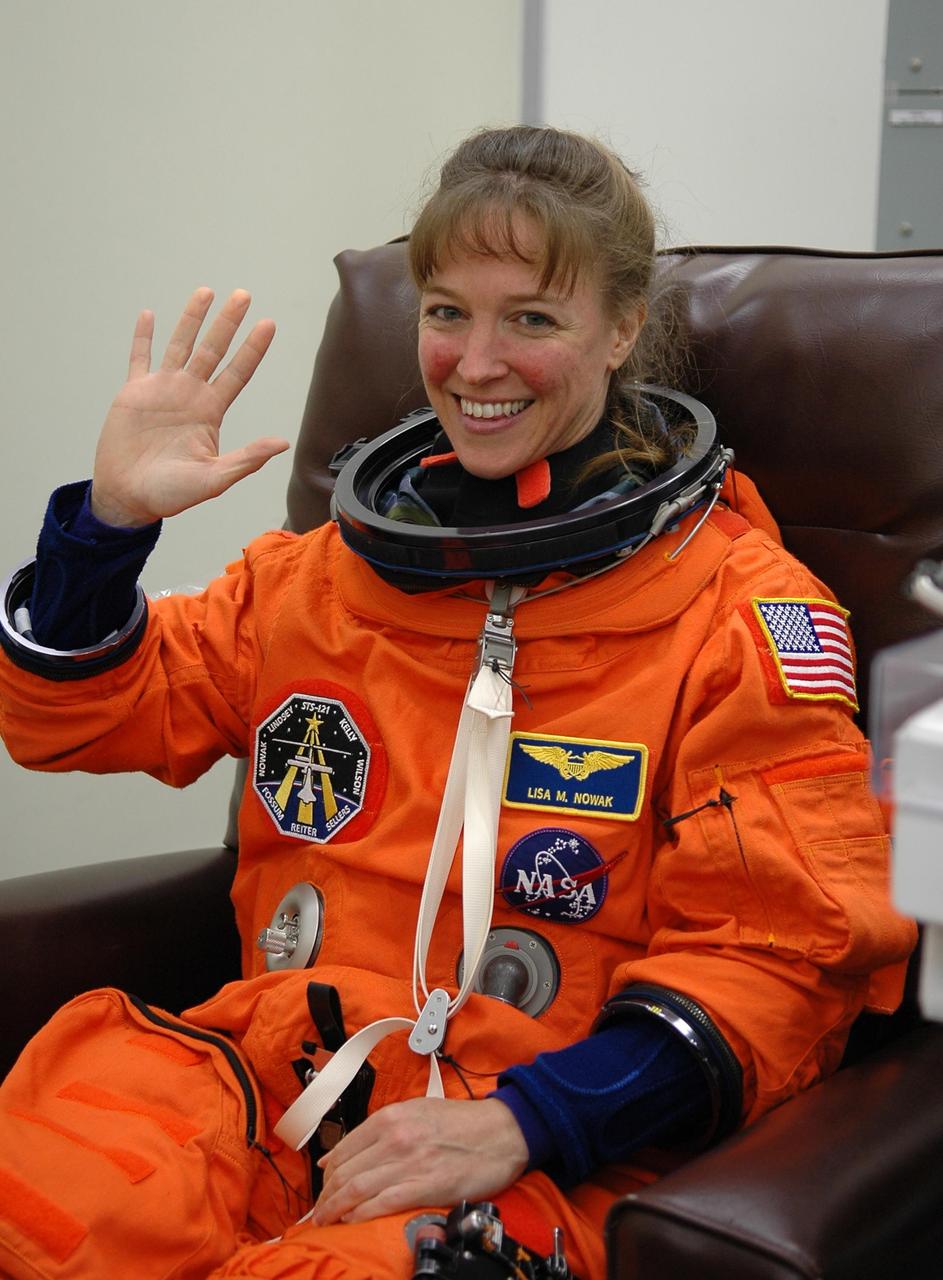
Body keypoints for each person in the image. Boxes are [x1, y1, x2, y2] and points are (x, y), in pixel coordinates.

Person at [0, 126, 915, 1280]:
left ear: (621, 328)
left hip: (539, 1137)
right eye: (446, 311)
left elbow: (785, 951)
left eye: (530, 318)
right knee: (34, 1207)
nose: (475, 363)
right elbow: (76, 716)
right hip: (260, 1072)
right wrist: (107, 529)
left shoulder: (736, 615)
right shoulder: (318, 578)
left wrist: (528, 1120)